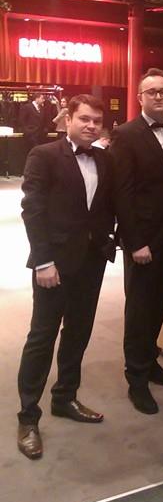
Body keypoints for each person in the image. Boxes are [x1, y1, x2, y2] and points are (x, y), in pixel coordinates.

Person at [17, 95, 116, 460]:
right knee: (42, 337)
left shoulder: (105, 159)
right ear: (68, 119)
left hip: (91, 262)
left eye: (97, 121)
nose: (91, 125)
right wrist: (43, 261)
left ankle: (65, 397)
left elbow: (106, 207)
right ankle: (28, 417)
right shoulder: (43, 155)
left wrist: (110, 239)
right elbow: (33, 210)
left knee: (78, 331)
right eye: (84, 119)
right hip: (54, 264)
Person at [110, 68, 163, 414]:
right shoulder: (125, 134)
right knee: (139, 308)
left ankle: (150, 360)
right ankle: (136, 378)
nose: (158, 96)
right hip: (142, 240)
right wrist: (134, 241)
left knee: (158, 304)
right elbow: (122, 193)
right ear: (140, 97)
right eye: (151, 91)